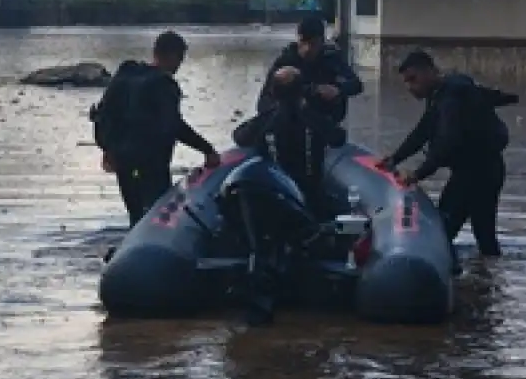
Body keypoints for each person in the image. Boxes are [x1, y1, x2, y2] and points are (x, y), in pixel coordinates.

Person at [376, 49, 518, 260]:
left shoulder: (450, 98)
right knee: (483, 235)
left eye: (413, 79)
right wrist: (396, 158)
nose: (410, 87)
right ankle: (485, 282)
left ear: (431, 72)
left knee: (443, 230)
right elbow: (423, 130)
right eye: (406, 82)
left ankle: (456, 279)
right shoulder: (441, 94)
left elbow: (446, 143)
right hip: (482, 169)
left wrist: (417, 174)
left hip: (478, 172)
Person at [89, 31, 220, 228]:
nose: (179, 66)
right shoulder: (164, 85)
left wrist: (107, 148)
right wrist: (207, 149)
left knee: (135, 214)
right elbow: (174, 125)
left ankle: (132, 250)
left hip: (122, 160)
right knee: (156, 215)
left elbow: (102, 114)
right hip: (150, 164)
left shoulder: (126, 73)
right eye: (180, 59)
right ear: (173, 56)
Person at [234, 66, 347, 215]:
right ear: (302, 91)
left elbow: (239, 136)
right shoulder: (314, 119)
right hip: (311, 197)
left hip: (272, 198)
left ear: (273, 93)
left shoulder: (264, 121)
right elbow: (339, 138)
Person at [257, 15, 363, 125]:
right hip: (292, 124)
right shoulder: (286, 61)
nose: (307, 49)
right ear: (298, 39)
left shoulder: (331, 58)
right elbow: (263, 103)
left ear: (322, 42)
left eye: (313, 44)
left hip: (324, 122)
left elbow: (356, 84)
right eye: (303, 42)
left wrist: (338, 90)